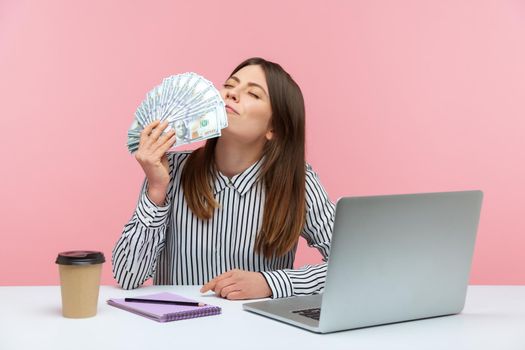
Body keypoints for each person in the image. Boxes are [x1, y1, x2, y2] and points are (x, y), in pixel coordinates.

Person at [112, 57, 335, 300]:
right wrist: (156, 189)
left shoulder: (298, 183)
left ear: (275, 129)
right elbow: (127, 276)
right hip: (178, 330)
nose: (231, 95)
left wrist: (270, 283)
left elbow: (351, 265)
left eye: (253, 94)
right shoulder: (170, 171)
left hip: (261, 332)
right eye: (229, 86)